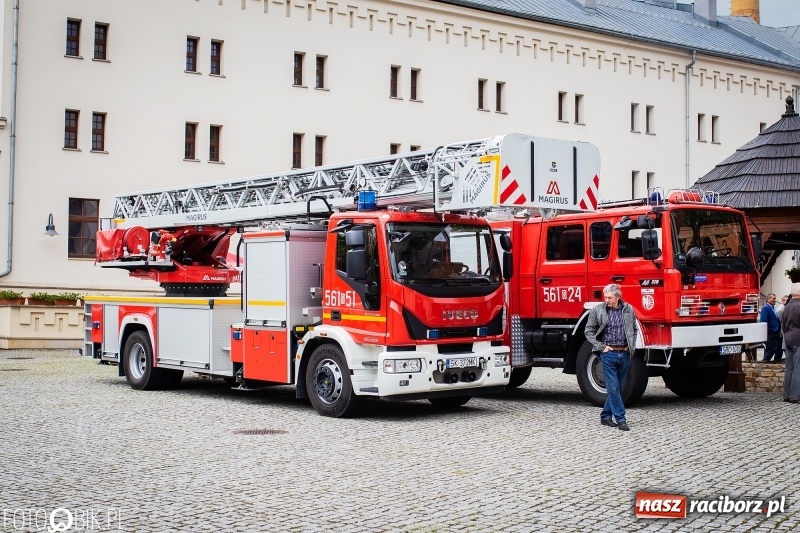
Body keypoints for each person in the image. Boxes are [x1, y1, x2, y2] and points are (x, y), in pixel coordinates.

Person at [584, 283, 639, 431]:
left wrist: (630, 346)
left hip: (624, 354)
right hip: (608, 354)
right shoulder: (597, 310)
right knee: (613, 387)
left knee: (619, 388)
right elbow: (588, 331)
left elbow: (634, 329)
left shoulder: (628, 309)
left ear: (618, 297)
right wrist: (602, 347)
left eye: (609, 297)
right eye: (605, 297)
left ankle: (605, 416)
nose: (606, 300)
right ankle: (621, 419)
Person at [780, 284, 800, 403]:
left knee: (789, 368)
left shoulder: (786, 307)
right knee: (798, 368)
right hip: (798, 339)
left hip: (788, 338)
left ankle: (787, 394)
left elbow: (783, 325)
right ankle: (795, 396)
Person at [760, 293, 781, 362]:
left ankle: (764, 363)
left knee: (771, 348)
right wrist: (769, 330)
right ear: (768, 299)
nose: (775, 300)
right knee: (771, 348)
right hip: (770, 332)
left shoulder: (772, 308)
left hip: (774, 332)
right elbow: (764, 320)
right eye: (773, 298)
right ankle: (764, 362)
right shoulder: (766, 308)